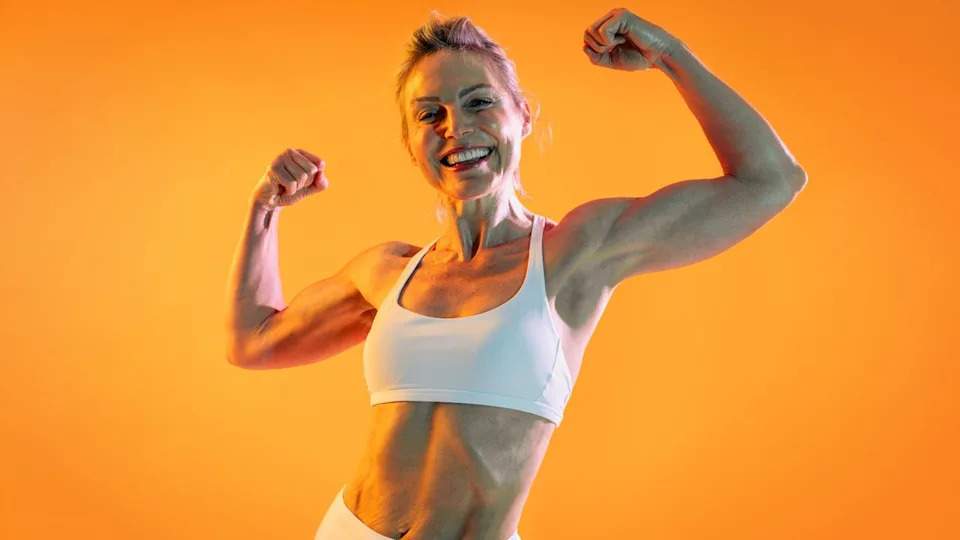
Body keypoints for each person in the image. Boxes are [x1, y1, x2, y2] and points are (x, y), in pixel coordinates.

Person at [225, 8, 807, 540]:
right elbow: (253, 341)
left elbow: (769, 181)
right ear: (411, 143)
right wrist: (264, 209)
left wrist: (669, 55)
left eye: (480, 102)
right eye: (431, 114)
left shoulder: (576, 251)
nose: (456, 126)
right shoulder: (387, 271)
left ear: (523, 115)